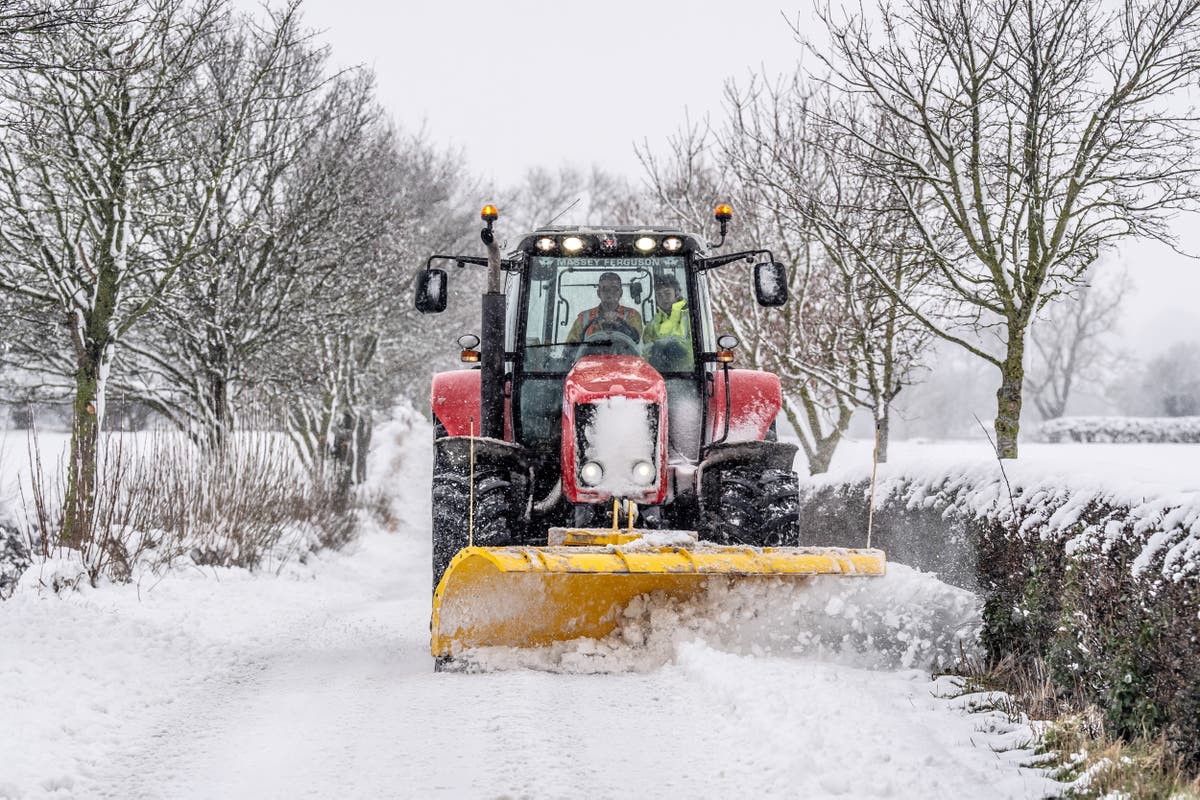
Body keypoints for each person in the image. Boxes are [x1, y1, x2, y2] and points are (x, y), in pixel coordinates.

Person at [566, 271, 644, 343]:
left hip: (624, 357)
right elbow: (570, 349)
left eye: (614, 289)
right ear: (598, 293)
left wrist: (620, 325)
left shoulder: (632, 315)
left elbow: (636, 339)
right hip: (590, 357)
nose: (609, 293)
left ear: (621, 293)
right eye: (605, 289)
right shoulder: (583, 318)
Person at [643, 274, 693, 369]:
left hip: (686, 372)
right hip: (660, 372)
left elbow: (697, 347)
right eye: (659, 295)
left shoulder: (690, 317)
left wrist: (675, 346)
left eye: (667, 293)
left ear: (677, 293)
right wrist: (655, 349)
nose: (663, 298)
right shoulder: (654, 321)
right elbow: (645, 347)